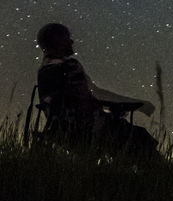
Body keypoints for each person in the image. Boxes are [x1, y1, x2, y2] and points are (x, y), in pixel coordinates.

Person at [35, 22, 159, 158]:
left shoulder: (44, 71)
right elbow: (96, 94)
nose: (71, 41)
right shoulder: (70, 67)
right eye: (67, 37)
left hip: (61, 132)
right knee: (139, 139)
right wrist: (139, 104)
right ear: (57, 41)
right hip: (89, 130)